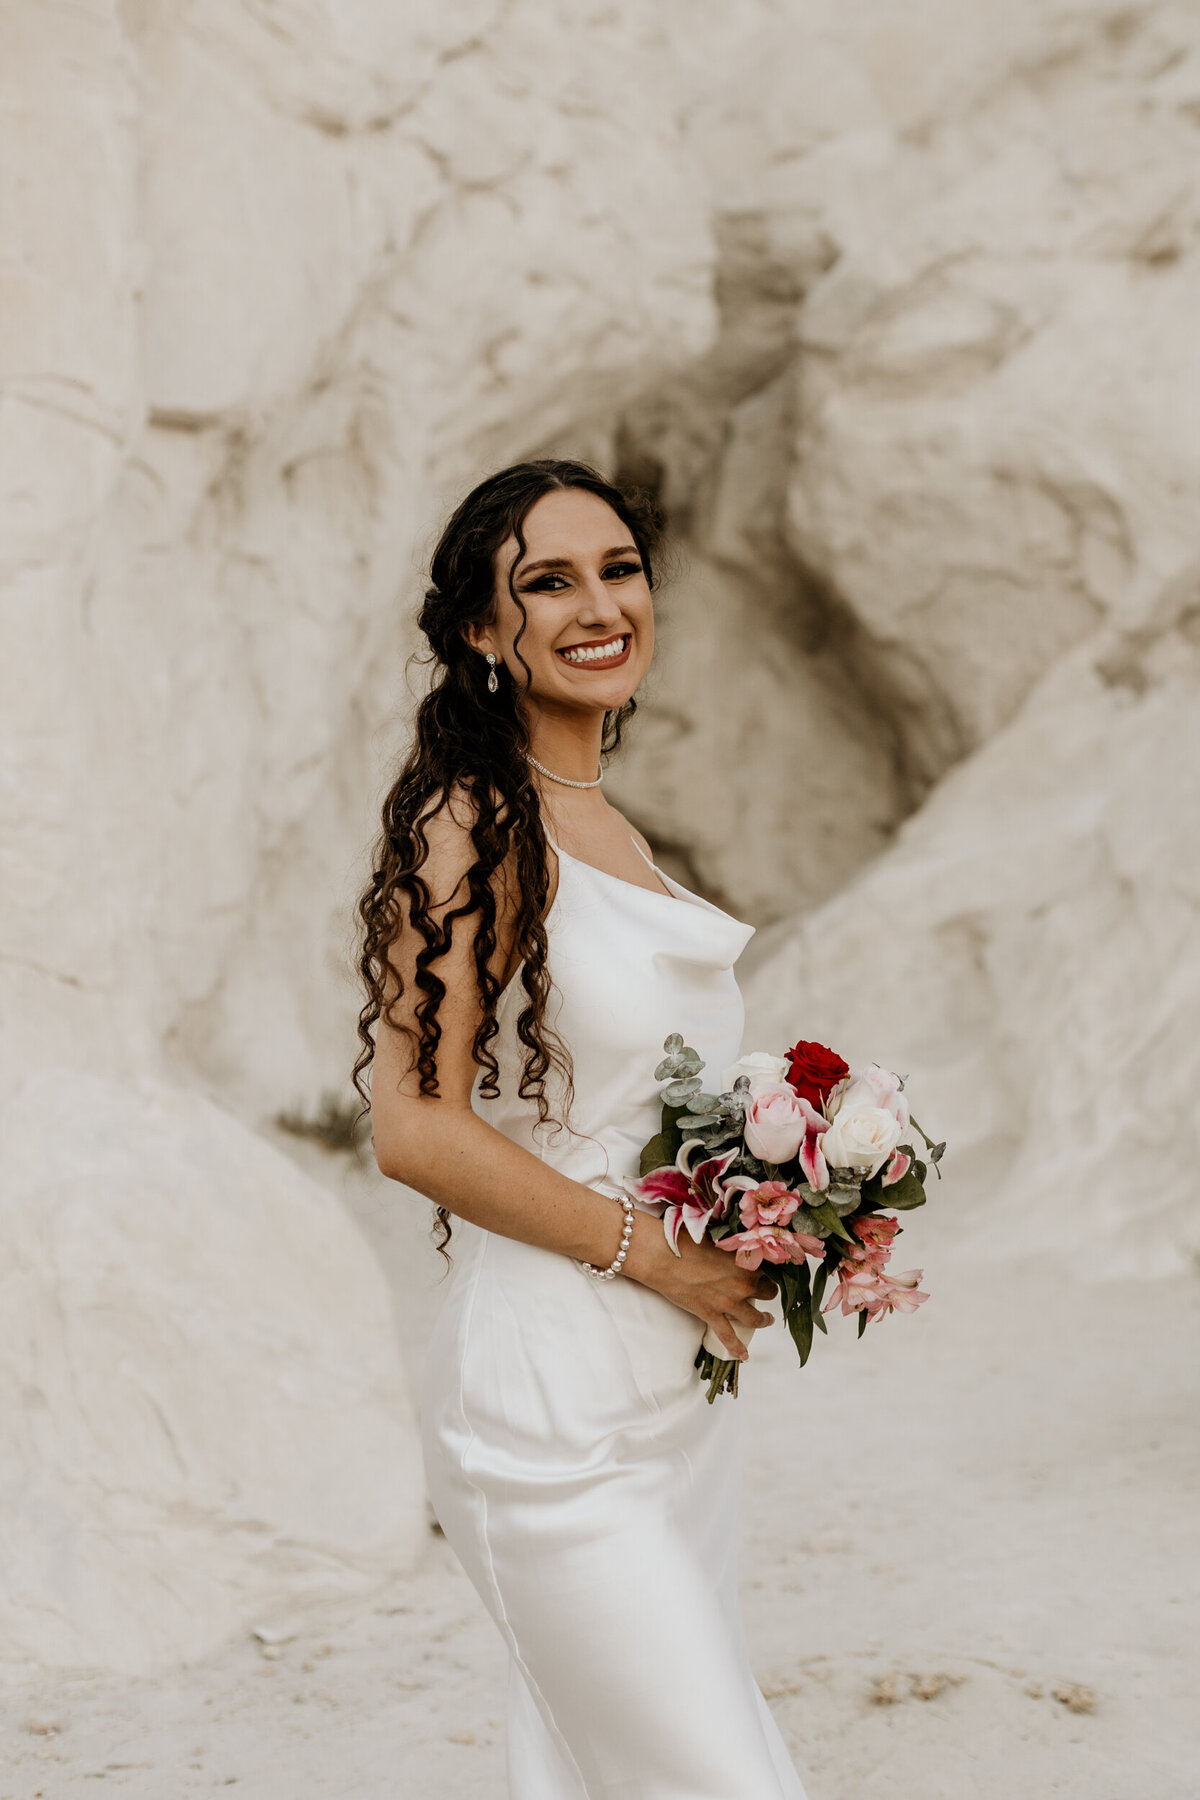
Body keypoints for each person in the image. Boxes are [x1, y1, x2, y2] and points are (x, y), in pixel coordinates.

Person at [356, 460, 807, 1798]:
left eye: (618, 569)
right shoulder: (468, 822)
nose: (598, 603)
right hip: (544, 1409)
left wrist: (782, 1203)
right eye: (546, 581)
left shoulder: (608, 825)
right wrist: (653, 1250)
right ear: (486, 634)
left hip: (679, 1398)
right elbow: (411, 1126)